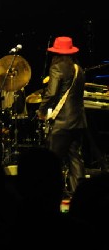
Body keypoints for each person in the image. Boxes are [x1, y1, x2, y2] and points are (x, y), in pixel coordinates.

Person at [36, 36, 87, 197]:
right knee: (75, 158)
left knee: (52, 161)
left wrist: (42, 111)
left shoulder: (57, 68)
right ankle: (78, 195)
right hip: (78, 120)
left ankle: (50, 195)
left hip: (62, 122)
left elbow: (51, 94)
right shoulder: (79, 69)